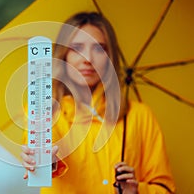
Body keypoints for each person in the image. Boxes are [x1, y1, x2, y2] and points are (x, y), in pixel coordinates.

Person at [21, 12, 175, 194]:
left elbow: (166, 189)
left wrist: (137, 190)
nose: (87, 59)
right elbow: (42, 160)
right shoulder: (45, 111)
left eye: (99, 48)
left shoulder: (139, 115)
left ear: (111, 57)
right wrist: (43, 160)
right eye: (76, 48)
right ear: (63, 55)